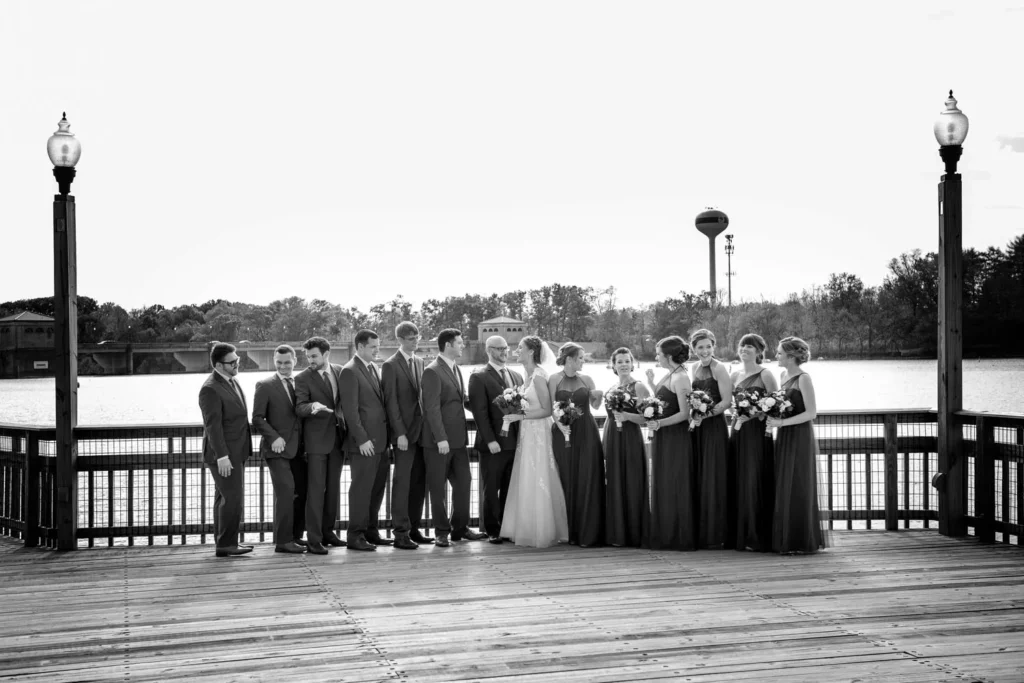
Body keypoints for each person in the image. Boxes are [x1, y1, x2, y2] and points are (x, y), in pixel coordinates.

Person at [499, 336, 569, 547]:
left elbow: (547, 410)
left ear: (530, 352)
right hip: (526, 433)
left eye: (520, 347)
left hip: (538, 432)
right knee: (525, 474)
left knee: (538, 473)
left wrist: (520, 417)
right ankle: (525, 527)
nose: (515, 350)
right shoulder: (525, 375)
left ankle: (542, 530)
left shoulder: (539, 376)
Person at [421, 328, 487, 547]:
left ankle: (460, 528)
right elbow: (431, 409)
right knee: (438, 488)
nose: (462, 346)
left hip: (458, 440)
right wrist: (440, 438)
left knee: (464, 484)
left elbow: (459, 400)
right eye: (459, 343)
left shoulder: (456, 369)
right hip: (438, 442)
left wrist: (489, 410)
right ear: (448, 345)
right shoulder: (432, 371)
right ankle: (441, 531)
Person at [766, 336, 828, 554]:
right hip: (784, 436)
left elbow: (811, 413)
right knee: (785, 482)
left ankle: (801, 539)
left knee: (799, 482)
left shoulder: (804, 378)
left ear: (791, 357)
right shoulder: (782, 375)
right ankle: (787, 537)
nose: (776, 356)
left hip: (800, 436)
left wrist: (781, 422)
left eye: (780, 353)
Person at [338, 329, 392, 551]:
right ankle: (355, 536)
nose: (377, 350)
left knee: (377, 488)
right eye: (373, 347)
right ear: (359, 347)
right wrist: (362, 439)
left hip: (380, 442)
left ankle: (371, 530)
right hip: (365, 445)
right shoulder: (349, 371)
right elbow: (350, 411)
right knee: (361, 490)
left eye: (378, 346)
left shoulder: (372, 368)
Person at [381, 321, 433, 549]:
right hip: (403, 435)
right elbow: (391, 402)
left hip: (422, 433)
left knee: (419, 483)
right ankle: (400, 533)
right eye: (411, 338)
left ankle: (414, 528)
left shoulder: (421, 362)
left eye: (417, 337)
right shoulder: (390, 365)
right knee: (402, 483)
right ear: (400, 340)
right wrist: (399, 433)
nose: (416, 341)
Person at [198, 343, 253, 557]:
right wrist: (222, 456)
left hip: (236, 451)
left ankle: (224, 543)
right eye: (233, 362)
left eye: (237, 360)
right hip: (224, 455)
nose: (237, 364)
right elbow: (213, 426)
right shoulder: (210, 388)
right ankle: (226, 544)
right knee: (232, 498)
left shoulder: (232, 381)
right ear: (219, 365)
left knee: (225, 497)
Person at [294, 337, 347, 556]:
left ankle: (328, 532)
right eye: (308, 357)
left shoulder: (340, 371)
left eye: (314, 356)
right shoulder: (303, 378)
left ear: (326, 354)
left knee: (333, 490)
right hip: (316, 442)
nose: (310, 360)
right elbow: (299, 407)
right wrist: (312, 407)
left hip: (338, 439)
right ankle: (314, 539)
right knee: (316, 491)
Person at [468, 335, 524, 544]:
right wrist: (490, 440)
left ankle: (507, 527)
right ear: (489, 350)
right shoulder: (479, 376)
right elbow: (479, 413)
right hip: (493, 444)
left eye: (506, 348)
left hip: (515, 442)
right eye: (499, 349)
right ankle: (492, 530)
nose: (504, 352)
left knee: (510, 487)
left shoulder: (517, 376)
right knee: (491, 488)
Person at [251, 345, 307, 554]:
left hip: (299, 449)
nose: (283, 366)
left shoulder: (301, 383)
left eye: (287, 362)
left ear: (295, 361)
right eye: (279, 363)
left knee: (301, 492)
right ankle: (283, 542)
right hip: (276, 449)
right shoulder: (265, 385)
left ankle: (295, 536)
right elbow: (257, 417)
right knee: (285, 493)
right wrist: (273, 437)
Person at [549, 342, 605, 547]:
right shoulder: (554, 379)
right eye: (580, 358)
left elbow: (595, 406)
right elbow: (550, 407)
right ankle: (569, 531)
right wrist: (560, 426)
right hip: (563, 432)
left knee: (587, 476)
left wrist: (598, 396)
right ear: (570, 359)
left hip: (586, 432)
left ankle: (587, 531)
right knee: (566, 476)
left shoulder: (587, 379)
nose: (583, 361)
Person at [644, 336, 696, 551]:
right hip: (664, 436)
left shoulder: (682, 377)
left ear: (668, 356)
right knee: (663, 481)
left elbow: (684, 413)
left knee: (675, 482)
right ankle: (664, 531)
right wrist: (651, 384)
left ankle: (678, 534)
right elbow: (666, 399)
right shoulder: (671, 374)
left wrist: (659, 423)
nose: (656, 356)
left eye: (658, 353)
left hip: (675, 437)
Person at [729, 334, 778, 552]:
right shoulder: (735, 374)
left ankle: (757, 534)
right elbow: (729, 402)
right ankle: (740, 533)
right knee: (738, 478)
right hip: (738, 430)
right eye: (742, 346)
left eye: (750, 346)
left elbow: (775, 404)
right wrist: (737, 412)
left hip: (757, 432)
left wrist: (754, 412)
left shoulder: (765, 374)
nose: (745, 349)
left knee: (754, 478)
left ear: (759, 351)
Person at [689, 328, 734, 549]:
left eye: (708, 346)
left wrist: (705, 414)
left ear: (713, 346)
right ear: (693, 349)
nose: (705, 351)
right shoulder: (693, 368)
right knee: (700, 473)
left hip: (714, 426)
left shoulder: (720, 369)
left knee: (714, 475)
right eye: (700, 347)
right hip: (698, 427)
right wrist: (695, 413)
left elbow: (726, 401)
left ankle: (717, 532)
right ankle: (701, 528)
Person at [602, 346, 648, 548]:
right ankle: (616, 533)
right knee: (614, 481)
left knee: (632, 480)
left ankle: (635, 533)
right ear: (613, 365)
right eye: (619, 361)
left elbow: (648, 418)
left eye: (627, 361)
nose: (623, 365)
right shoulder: (611, 388)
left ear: (632, 363)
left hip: (630, 439)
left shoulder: (638, 387)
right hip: (613, 438)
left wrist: (628, 416)